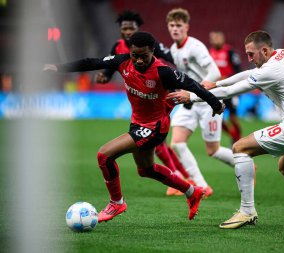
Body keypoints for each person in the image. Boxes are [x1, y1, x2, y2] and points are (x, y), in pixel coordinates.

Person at [44, 32, 225, 223]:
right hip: (138, 123)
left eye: (143, 56)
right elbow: (92, 62)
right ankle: (192, 191)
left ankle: (117, 203)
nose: (138, 60)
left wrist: (215, 103)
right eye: (134, 55)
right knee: (146, 170)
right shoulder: (122, 61)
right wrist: (57, 67)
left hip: (155, 127)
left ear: (152, 52)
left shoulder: (163, 72)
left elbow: (194, 85)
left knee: (104, 156)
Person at [167, 30, 284, 229]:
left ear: (264, 50)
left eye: (251, 54)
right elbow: (248, 74)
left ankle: (247, 211)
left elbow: (231, 91)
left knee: (240, 148)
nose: (248, 59)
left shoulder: (271, 70)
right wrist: (217, 83)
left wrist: (193, 96)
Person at [94, 10, 190, 196]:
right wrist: (104, 76)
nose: (128, 31)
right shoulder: (118, 47)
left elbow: (173, 59)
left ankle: (181, 178)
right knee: (153, 153)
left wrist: (181, 83)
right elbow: (110, 66)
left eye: (132, 28)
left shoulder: (148, 44)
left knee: (157, 141)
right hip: (141, 99)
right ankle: (183, 180)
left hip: (161, 93)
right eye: (125, 28)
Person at [166, 8, 235, 197]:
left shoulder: (195, 47)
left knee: (212, 150)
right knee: (177, 143)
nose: (175, 29)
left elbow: (214, 73)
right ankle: (201, 185)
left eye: (179, 25)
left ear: (187, 27)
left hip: (207, 101)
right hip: (189, 100)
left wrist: (194, 91)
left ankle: (245, 163)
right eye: (172, 25)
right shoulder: (174, 49)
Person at [209, 30, 242, 144]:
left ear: (223, 39)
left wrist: (226, 78)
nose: (215, 40)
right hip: (216, 90)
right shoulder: (210, 53)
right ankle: (234, 136)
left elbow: (238, 71)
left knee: (233, 117)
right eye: (213, 38)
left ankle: (238, 136)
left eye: (218, 38)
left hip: (230, 89)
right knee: (218, 117)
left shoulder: (230, 52)